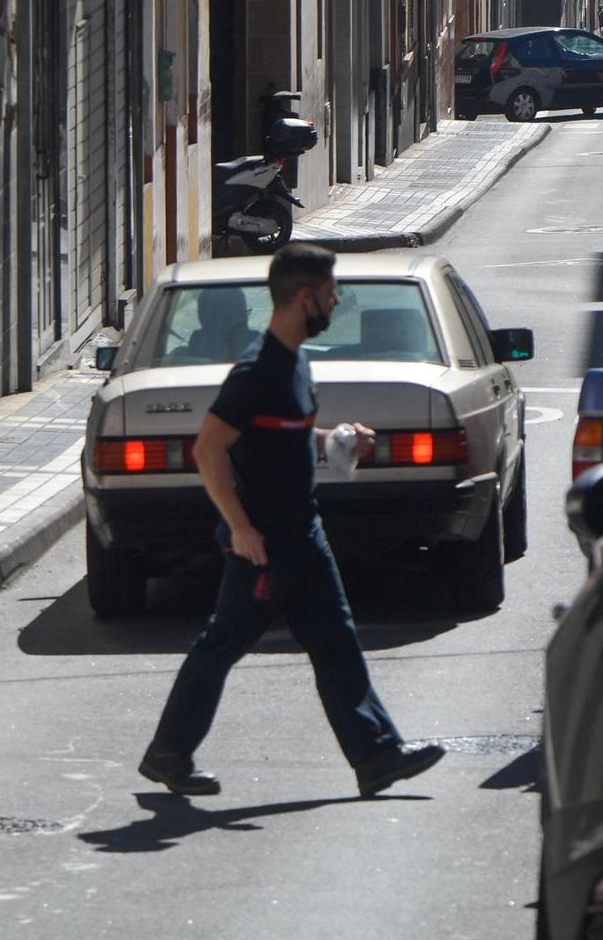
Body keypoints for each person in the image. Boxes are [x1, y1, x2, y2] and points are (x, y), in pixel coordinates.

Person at [139, 244, 444, 800]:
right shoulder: (258, 371)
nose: (336, 300)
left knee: (336, 642)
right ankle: (169, 752)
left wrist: (338, 440)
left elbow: (290, 434)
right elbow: (208, 449)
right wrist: (240, 528)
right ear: (305, 298)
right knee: (222, 645)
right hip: (266, 546)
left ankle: (376, 755)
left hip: (305, 534)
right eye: (330, 292)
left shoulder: (298, 361)